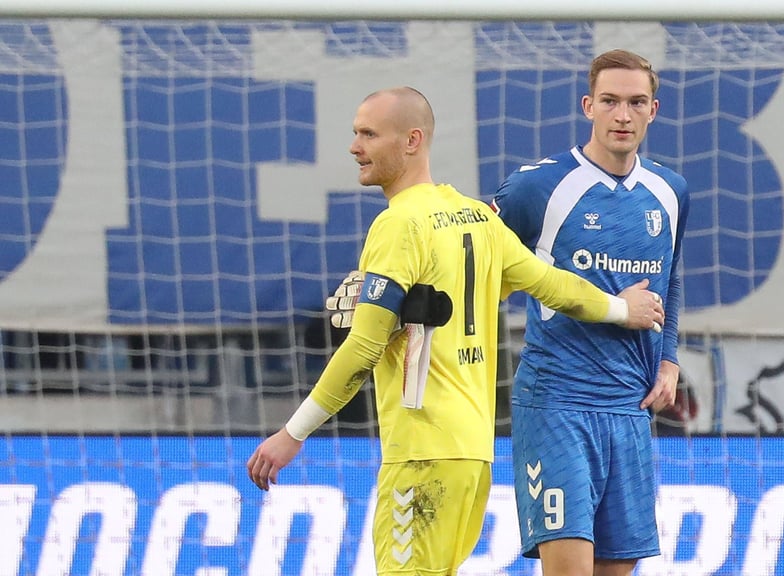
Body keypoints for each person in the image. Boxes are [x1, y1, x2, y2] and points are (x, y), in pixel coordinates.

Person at [246, 86, 665, 576]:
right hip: (472, 456)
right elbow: (550, 283)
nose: (354, 146)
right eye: (355, 133)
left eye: (367, 134)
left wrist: (293, 434)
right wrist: (619, 308)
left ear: (412, 140)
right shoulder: (476, 219)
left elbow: (362, 347)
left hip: (421, 454)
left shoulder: (398, 224)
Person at [491, 49, 690, 575]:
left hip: (629, 409)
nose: (622, 115)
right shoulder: (538, 187)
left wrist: (668, 361)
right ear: (587, 106)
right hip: (557, 403)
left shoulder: (670, 192)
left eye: (635, 102)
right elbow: (479, 259)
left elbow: (669, 279)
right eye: (609, 101)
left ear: (654, 110)